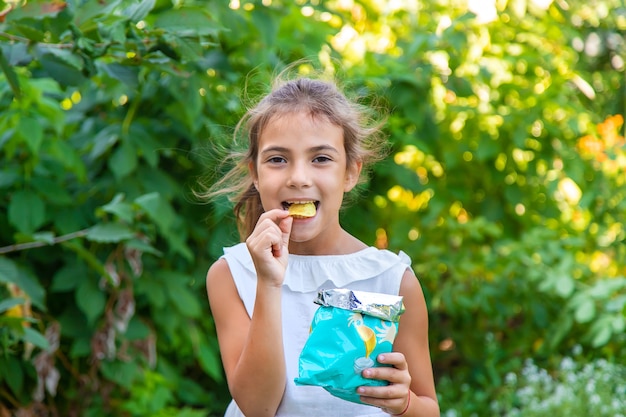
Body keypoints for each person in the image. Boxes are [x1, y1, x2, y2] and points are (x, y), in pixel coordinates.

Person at [202, 72, 440, 417]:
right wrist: (268, 282)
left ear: (350, 173)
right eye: (277, 159)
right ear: (255, 173)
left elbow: (429, 409)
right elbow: (257, 407)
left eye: (321, 159)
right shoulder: (231, 274)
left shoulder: (393, 280)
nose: (299, 177)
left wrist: (404, 403)